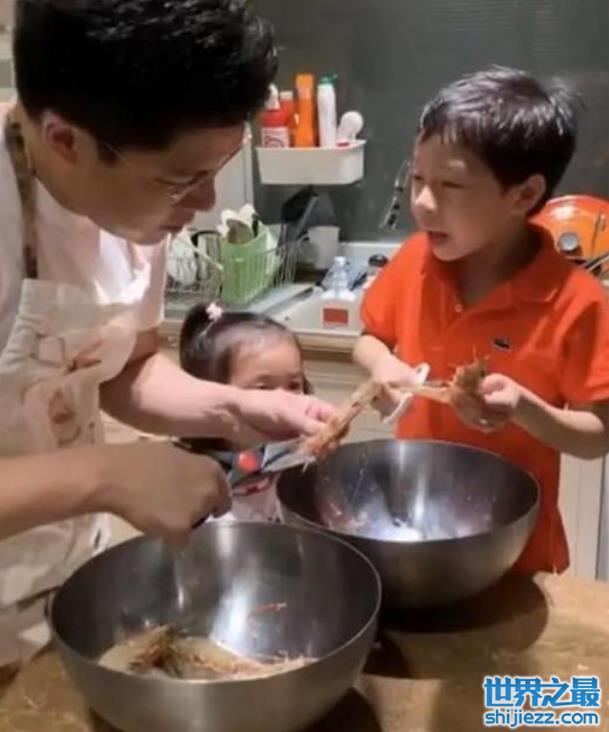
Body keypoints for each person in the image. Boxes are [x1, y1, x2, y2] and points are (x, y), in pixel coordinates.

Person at [0, 0, 334, 667]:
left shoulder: (133, 210)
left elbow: (125, 368)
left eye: (215, 171)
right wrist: (103, 474)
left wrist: (236, 407)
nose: (203, 205)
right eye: (181, 180)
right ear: (65, 141)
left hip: (64, 582)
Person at [354, 66, 609, 576]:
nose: (422, 203)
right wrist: (383, 367)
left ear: (523, 195)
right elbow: (369, 340)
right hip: (415, 530)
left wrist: (524, 408)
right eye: (418, 178)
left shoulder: (576, 302)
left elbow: (596, 434)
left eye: (450, 185)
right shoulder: (415, 261)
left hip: (515, 550)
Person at [179, 301, 312, 522]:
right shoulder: (196, 488)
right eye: (264, 389)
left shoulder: (299, 463)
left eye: (294, 385)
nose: (284, 401)